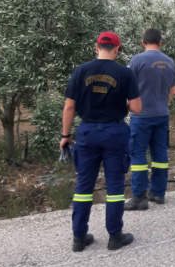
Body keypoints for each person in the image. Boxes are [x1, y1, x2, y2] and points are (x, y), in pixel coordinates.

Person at [60, 31, 141, 252]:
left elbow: (69, 106)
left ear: (97, 47)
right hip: (114, 132)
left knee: (84, 186)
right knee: (115, 185)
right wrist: (119, 104)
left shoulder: (80, 71)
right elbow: (136, 108)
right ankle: (115, 236)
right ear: (117, 49)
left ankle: (79, 237)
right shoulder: (125, 73)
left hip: (87, 132)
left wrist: (65, 136)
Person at [125, 28, 175, 210]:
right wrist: (163, 105)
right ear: (160, 42)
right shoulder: (170, 62)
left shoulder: (137, 61)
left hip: (141, 116)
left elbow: (128, 88)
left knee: (138, 154)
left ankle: (139, 197)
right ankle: (158, 193)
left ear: (143, 42)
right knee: (160, 154)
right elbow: (172, 91)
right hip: (162, 115)